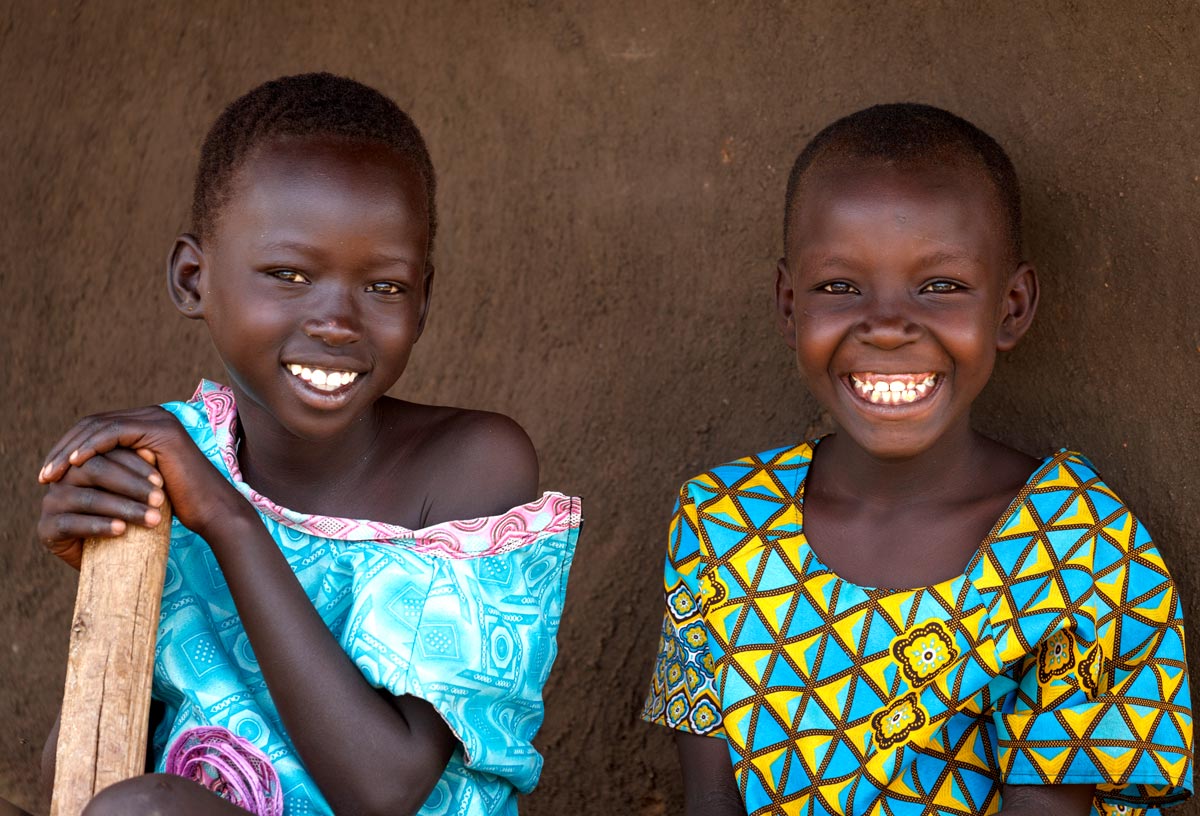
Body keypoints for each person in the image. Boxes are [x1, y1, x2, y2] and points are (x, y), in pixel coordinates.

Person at [36, 72, 582, 816]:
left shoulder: (471, 465)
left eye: (384, 287)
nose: (336, 320)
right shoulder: (169, 463)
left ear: (423, 302)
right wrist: (109, 578)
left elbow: (384, 788)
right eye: (288, 274)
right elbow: (79, 783)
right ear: (193, 279)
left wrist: (228, 520)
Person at [641, 103, 1192, 816]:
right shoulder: (721, 523)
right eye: (840, 287)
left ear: (1013, 306)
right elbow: (710, 801)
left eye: (941, 287)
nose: (890, 326)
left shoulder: (1080, 554)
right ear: (788, 305)